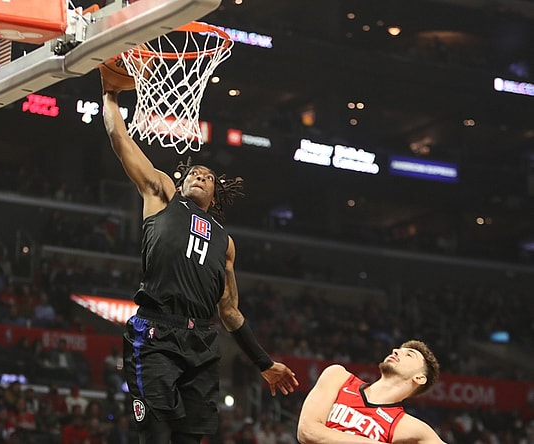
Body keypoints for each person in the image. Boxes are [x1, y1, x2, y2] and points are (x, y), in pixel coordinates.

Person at [100, 78, 298, 443]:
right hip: (156, 332)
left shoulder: (226, 242)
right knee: (156, 436)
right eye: (193, 173)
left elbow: (231, 312)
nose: (199, 176)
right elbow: (121, 141)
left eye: (207, 176)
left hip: (203, 342)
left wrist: (264, 363)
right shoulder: (162, 196)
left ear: (215, 192)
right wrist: (109, 95)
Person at [296, 340, 446, 443]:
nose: (395, 351)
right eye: (398, 350)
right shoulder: (338, 377)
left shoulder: (408, 426)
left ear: (419, 378)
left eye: (409, 354)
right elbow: (307, 431)